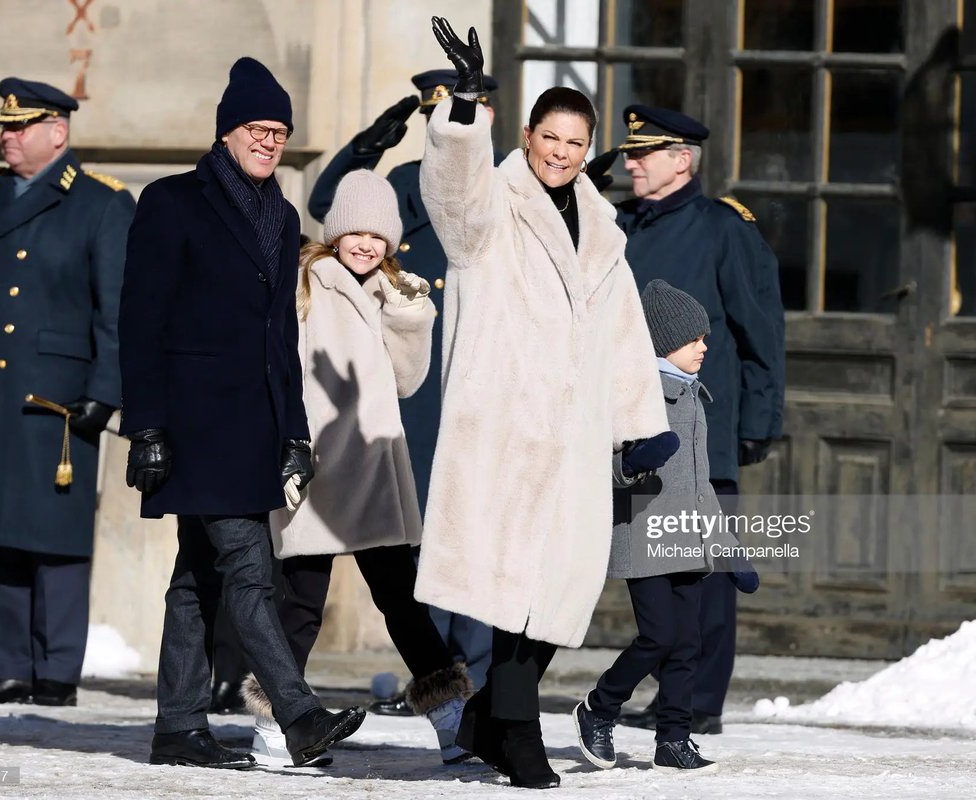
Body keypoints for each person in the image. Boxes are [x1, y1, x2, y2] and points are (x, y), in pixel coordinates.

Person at [414, 17, 671, 790]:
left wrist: (641, 427)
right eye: (549, 138)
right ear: (526, 136)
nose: (561, 153)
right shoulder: (492, 207)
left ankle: (491, 715)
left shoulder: (604, 231)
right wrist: (462, 110)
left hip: (578, 440)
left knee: (560, 592)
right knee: (510, 591)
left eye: (574, 143)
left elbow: (623, 333)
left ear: (587, 150)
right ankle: (519, 733)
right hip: (504, 428)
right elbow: (452, 197)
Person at [118, 57, 364, 770]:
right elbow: (142, 321)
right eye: (257, 128)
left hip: (253, 430)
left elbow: (279, 337)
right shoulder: (171, 202)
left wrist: (295, 432)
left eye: (280, 132)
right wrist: (147, 426)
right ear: (227, 131)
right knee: (251, 572)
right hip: (192, 427)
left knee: (197, 578)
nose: (269, 141)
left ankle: (179, 725)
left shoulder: (283, 218)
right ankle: (300, 715)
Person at [0, 79, 134, 707]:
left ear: (57, 132)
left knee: (52, 534)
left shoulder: (100, 203)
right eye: (4, 126)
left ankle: (57, 673)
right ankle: (11, 665)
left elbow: (116, 311)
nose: (6, 136)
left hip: (55, 396)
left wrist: (106, 391)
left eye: (20, 126)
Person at [239, 169, 471, 767]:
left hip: (371, 467)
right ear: (335, 232)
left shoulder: (393, 294)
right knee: (300, 603)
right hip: (315, 467)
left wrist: (410, 317)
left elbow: (408, 381)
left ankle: (452, 721)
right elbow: (277, 370)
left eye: (378, 235)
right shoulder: (306, 284)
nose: (366, 244)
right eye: (355, 232)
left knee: (401, 599)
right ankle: (275, 725)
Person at [307, 69, 501, 704]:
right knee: (413, 551)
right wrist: (368, 145)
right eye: (434, 119)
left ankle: (476, 677)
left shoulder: (502, 190)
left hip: (477, 384)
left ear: (488, 119)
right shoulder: (398, 186)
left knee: (473, 533)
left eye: (465, 118)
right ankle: (443, 675)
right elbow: (329, 210)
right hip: (409, 397)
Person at [596, 104, 783, 736]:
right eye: (629, 152)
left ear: (682, 159)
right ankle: (671, 697)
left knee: (703, 571)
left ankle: (698, 704)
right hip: (634, 429)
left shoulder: (722, 228)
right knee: (652, 568)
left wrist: (758, 417)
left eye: (643, 153)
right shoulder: (621, 225)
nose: (630, 161)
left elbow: (761, 328)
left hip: (705, 433)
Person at [574, 279, 726, 774]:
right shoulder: (635, 393)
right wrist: (635, 461)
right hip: (644, 535)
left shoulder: (693, 396)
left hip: (688, 537)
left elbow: (702, 486)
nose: (704, 346)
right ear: (663, 345)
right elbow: (609, 464)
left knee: (688, 642)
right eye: (693, 339)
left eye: (704, 337)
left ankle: (673, 739)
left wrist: (727, 548)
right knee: (659, 636)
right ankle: (599, 707)